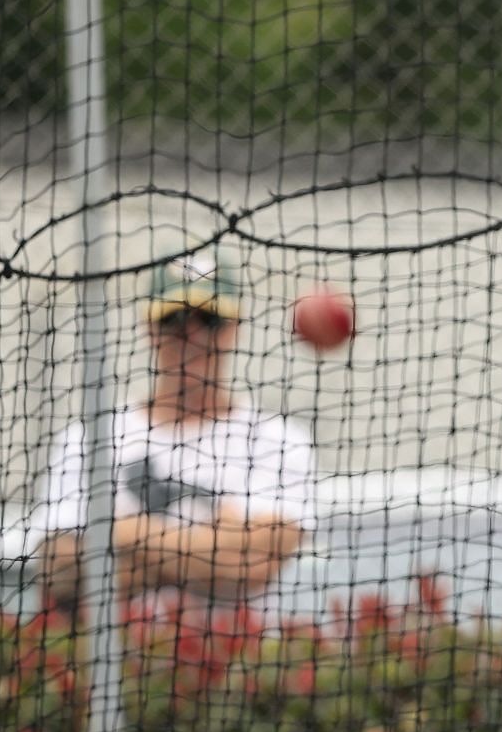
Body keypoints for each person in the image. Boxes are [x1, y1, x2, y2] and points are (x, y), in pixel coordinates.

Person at [33, 248, 317, 614]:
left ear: (234, 329)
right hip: (118, 662)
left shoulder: (278, 441)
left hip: (243, 659)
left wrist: (119, 533)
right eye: (175, 319)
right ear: (150, 329)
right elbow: (62, 572)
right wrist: (216, 545)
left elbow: (251, 571)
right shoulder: (88, 440)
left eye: (209, 319)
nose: (192, 334)